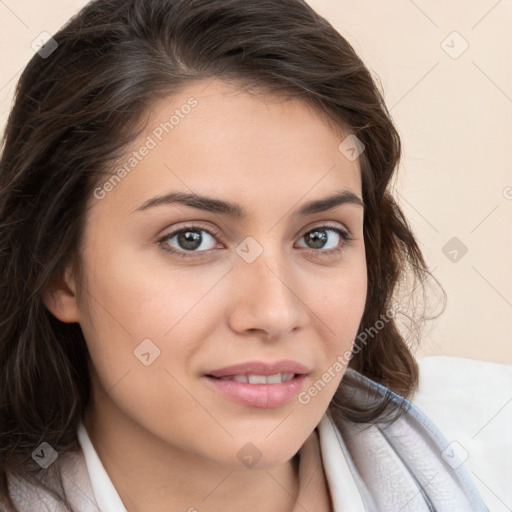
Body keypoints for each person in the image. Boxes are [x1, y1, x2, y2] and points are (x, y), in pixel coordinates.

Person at [0, 0, 489, 510]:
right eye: (191, 239)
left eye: (320, 236)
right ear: (58, 271)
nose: (275, 313)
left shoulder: (493, 447)